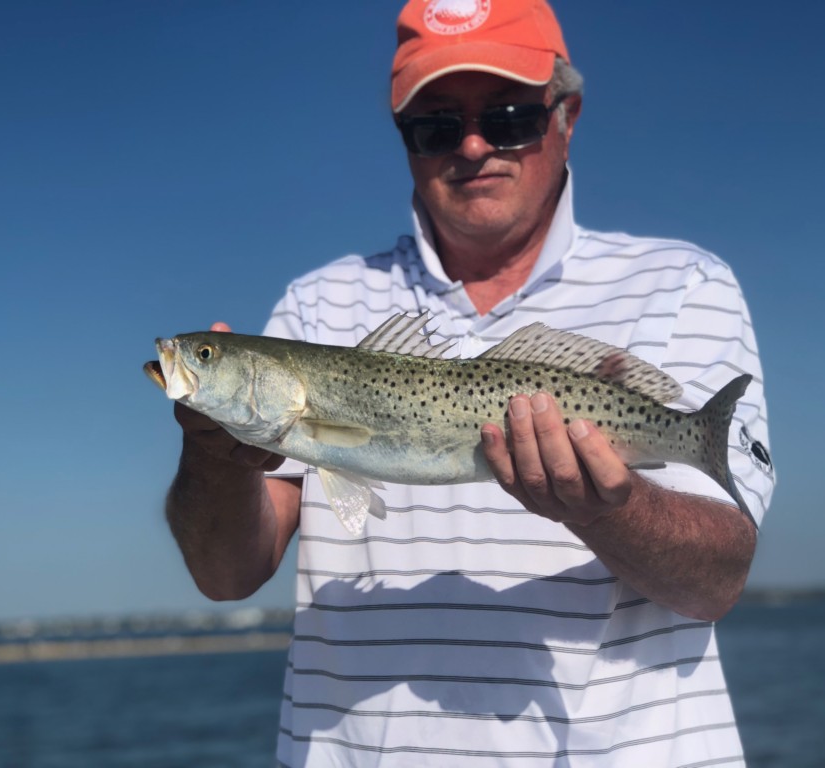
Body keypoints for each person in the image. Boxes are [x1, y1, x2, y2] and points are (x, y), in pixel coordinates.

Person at [165, 1, 775, 765]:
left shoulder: (685, 282)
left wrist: (607, 509)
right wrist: (215, 451)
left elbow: (720, 576)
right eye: (437, 125)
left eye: (511, 114)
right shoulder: (312, 306)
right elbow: (225, 576)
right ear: (403, 136)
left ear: (567, 114)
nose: (475, 145)